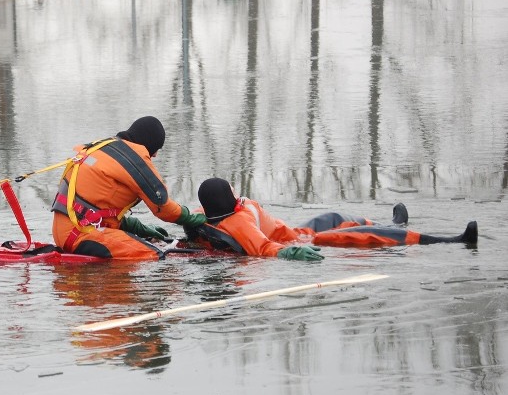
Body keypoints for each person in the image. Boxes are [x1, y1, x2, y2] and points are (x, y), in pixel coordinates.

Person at [185, 177, 478, 261]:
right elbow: (262, 247)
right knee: (352, 232)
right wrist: (291, 252)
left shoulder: (206, 213)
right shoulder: (239, 223)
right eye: (233, 192)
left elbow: (186, 216)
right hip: (302, 242)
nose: (239, 194)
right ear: (228, 200)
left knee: (334, 216)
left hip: (295, 231)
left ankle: (395, 224)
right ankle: (449, 240)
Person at [51, 116, 207, 260]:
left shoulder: (102, 147)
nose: (155, 155)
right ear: (150, 142)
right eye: (156, 149)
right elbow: (164, 208)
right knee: (156, 255)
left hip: (66, 232)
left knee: (149, 246)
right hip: (83, 235)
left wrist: (136, 227)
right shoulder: (134, 160)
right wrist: (191, 218)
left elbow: (94, 205)